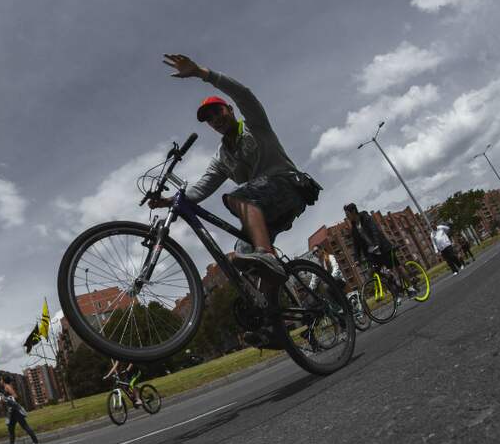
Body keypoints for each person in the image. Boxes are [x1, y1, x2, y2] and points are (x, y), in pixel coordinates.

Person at [154, 54, 321, 347]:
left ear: (230, 110)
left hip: (288, 187)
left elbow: (244, 93)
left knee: (238, 197)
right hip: (264, 210)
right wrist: (169, 201)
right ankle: (275, 324)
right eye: (209, 120)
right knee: (244, 254)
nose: (215, 120)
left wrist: (202, 73)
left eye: (218, 112)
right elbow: (201, 189)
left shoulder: (255, 125)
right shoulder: (222, 157)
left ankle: (265, 254)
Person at [344, 203, 413, 291]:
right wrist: (357, 259)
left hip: (383, 247)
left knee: (397, 267)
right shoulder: (354, 228)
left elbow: (375, 230)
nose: (347, 217)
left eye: (348, 215)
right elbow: (356, 244)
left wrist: (377, 244)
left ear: (353, 211)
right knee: (377, 271)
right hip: (372, 253)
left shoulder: (366, 218)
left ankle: (411, 288)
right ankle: (396, 288)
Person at [0, 375, 39, 444]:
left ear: (3, 380)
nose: (0, 381)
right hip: (11, 412)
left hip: (15, 411)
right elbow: (9, 398)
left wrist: (5, 399)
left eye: (1, 379)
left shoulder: (7, 386)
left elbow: (15, 396)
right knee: (11, 429)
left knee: (25, 426)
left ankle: (36, 442)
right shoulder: (5, 387)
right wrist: (2, 399)